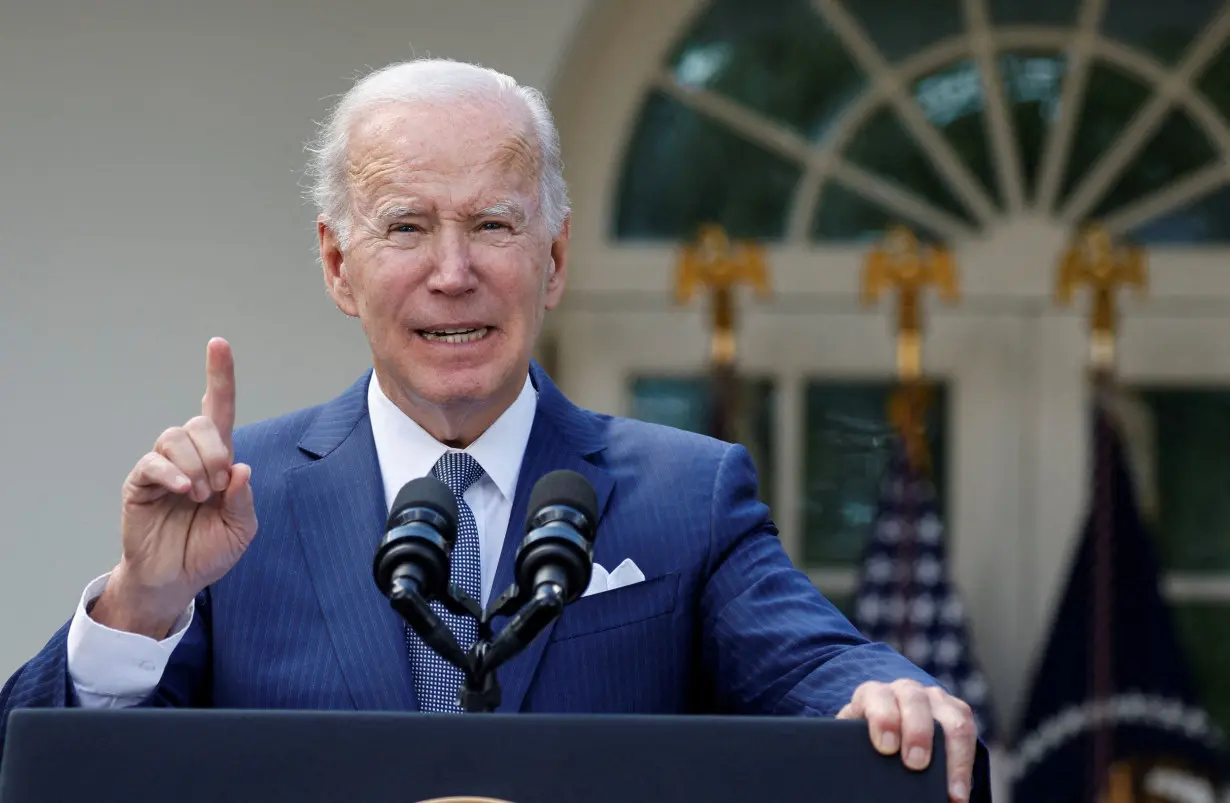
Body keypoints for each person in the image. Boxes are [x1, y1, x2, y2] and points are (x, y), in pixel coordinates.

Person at [0, 58, 985, 802]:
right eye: (407, 226)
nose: (454, 270)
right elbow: (43, 761)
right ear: (338, 264)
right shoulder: (239, 505)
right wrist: (141, 604)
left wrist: (886, 690)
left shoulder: (687, 492)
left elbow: (817, 663)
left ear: (554, 259)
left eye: (494, 225)